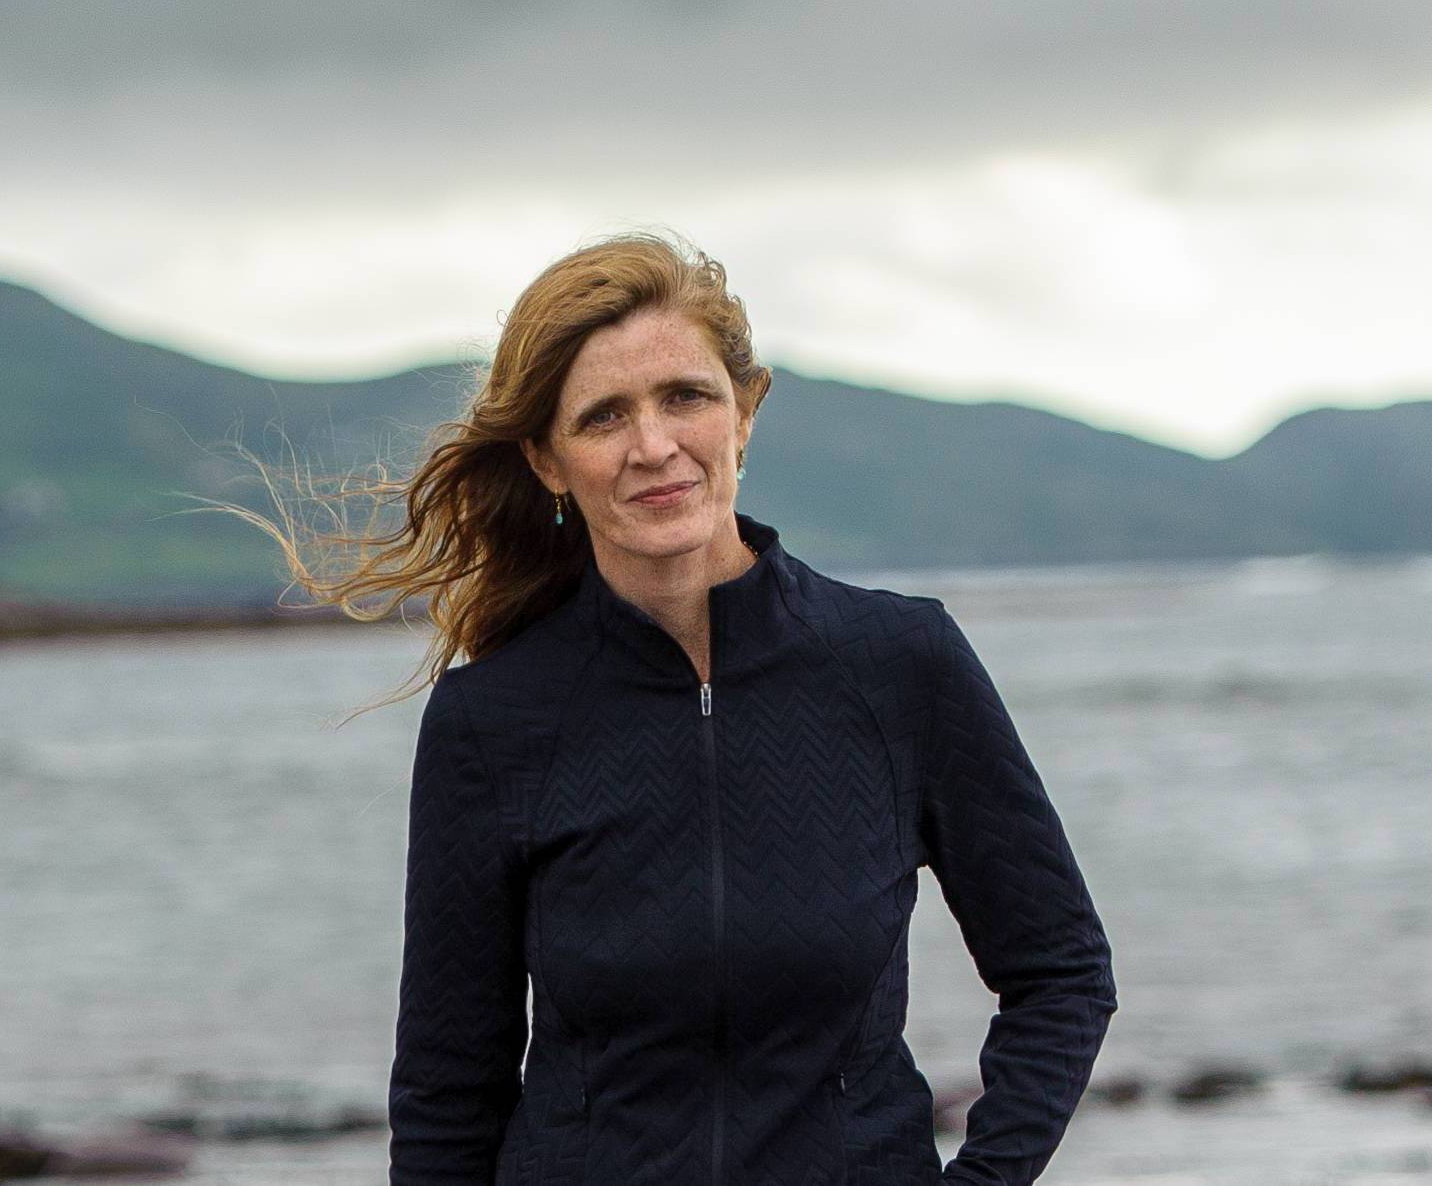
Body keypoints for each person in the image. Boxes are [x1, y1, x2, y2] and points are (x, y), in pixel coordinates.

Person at [239, 229, 1118, 1184]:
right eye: (604, 416)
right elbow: (450, 1086)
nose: (653, 446)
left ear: (746, 411)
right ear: (545, 458)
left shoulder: (899, 664)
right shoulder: (492, 721)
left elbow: (1061, 971)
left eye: (686, 397)